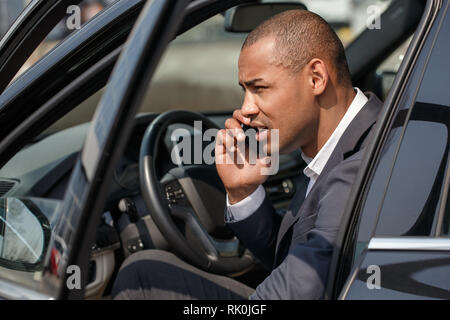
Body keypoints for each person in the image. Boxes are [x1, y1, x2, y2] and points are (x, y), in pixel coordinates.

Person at [111, 9, 383, 300]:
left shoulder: (360, 165)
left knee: (138, 280)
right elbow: (298, 259)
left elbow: (301, 290)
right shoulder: (339, 146)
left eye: (259, 88)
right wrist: (243, 192)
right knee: (144, 272)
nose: (246, 108)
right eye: (245, 90)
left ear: (316, 78)